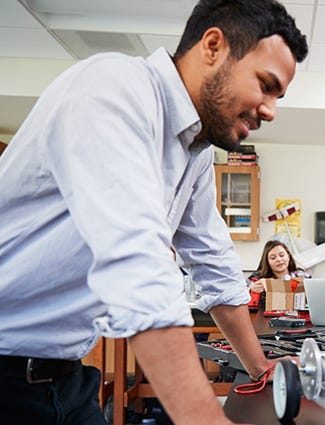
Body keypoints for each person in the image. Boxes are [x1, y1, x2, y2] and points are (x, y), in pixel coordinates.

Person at [0, 1, 307, 424]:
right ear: (213, 46)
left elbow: (212, 259)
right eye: (265, 84)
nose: (271, 110)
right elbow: (136, 263)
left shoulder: (195, 152)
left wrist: (262, 371)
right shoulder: (113, 87)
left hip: (66, 379)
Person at [247, 239, 308, 310]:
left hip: (297, 318)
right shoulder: (257, 278)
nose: (279, 259)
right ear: (267, 261)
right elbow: (238, 296)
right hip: (265, 318)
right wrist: (250, 290)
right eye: (273, 258)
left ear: (288, 256)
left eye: (282, 255)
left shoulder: (301, 276)